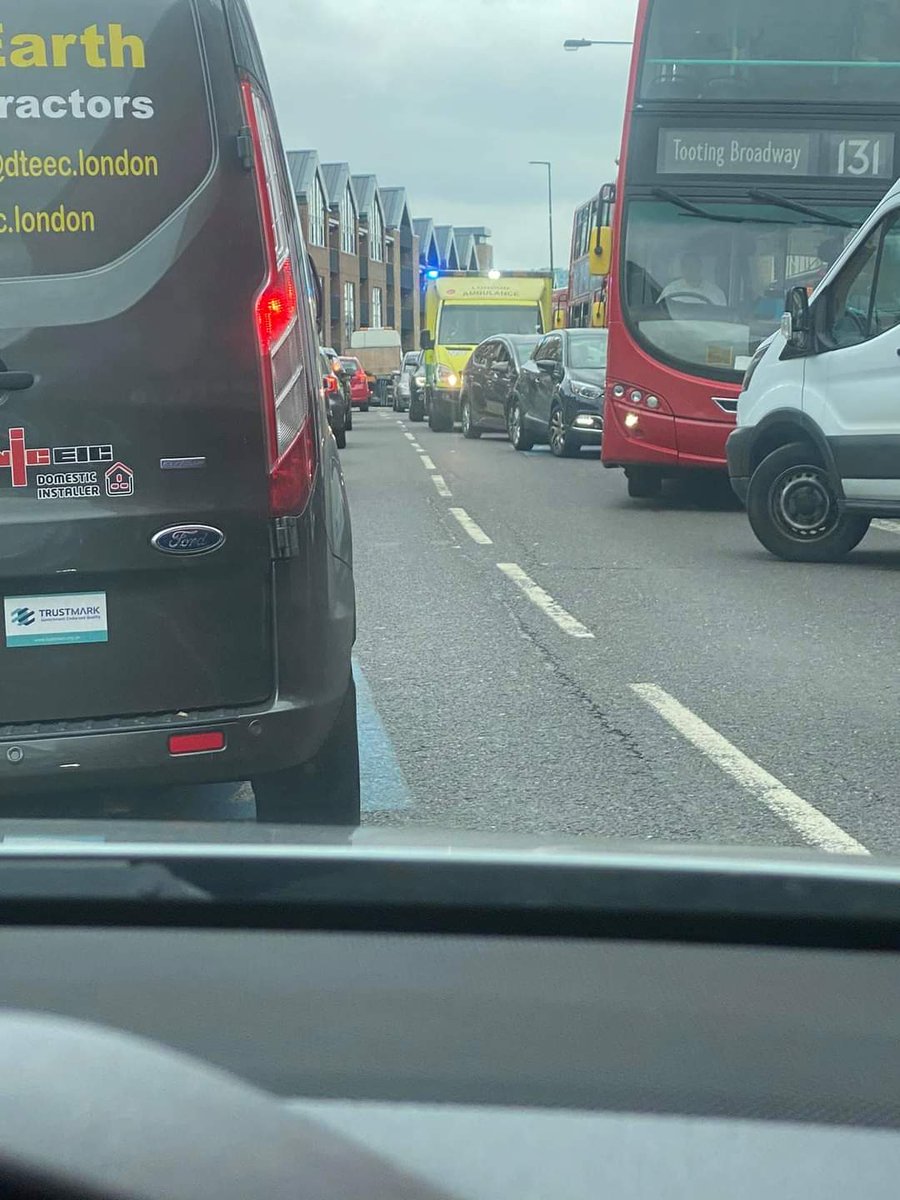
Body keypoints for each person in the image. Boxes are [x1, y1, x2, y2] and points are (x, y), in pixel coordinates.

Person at [659, 252, 727, 305]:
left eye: (693, 265)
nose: (690, 269)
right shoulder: (670, 290)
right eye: (686, 266)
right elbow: (659, 312)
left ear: (700, 266)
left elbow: (724, 318)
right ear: (682, 269)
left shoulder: (715, 293)